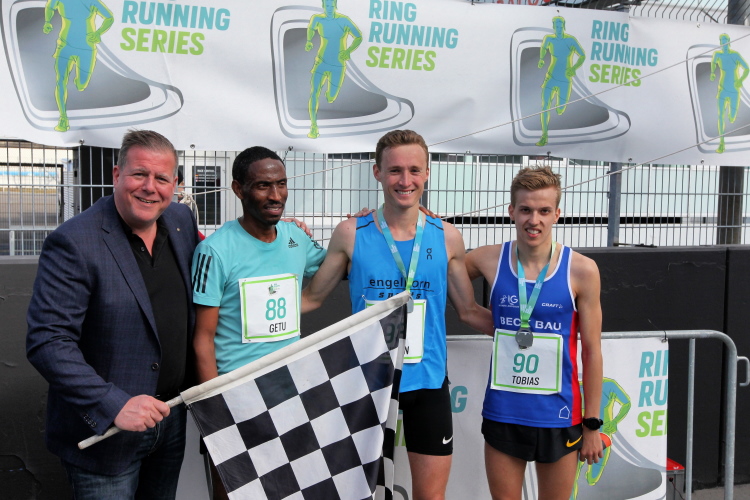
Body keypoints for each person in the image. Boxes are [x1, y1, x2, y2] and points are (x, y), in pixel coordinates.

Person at [302, 129, 494, 500]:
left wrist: (525, 331)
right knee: (358, 493)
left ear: (427, 173)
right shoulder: (350, 233)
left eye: (414, 170)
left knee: (431, 496)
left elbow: (469, 311)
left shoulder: (447, 237)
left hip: (427, 382)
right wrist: (240, 315)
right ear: (377, 172)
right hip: (367, 383)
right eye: (394, 171)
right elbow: (312, 298)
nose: (405, 181)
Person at [26, 130, 200, 498]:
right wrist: (113, 404)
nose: (150, 187)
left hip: (170, 420)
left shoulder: (181, 221)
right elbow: (47, 341)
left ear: (175, 185)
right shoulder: (75, 241)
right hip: (106, 435)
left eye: (162, 178)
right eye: (139, 174)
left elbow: (221, 258)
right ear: (117, 175)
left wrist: (280, 230)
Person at [191, 146, 327, 499]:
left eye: (281, 184)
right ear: (238, 189)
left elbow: (341, 260)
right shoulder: (215, 251)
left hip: (290, 394)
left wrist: (366, 223)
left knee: (290, 490)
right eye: (263, 186)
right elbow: (203, 338)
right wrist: (215, 410)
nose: (276, 195)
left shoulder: (296, 238)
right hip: (237, 400)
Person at [465, 166, 603, 500]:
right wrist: (421, 218)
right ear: (511, 211)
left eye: (543, 211)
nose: (534, 220)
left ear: (557, 214)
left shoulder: (581, 270)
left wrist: (592, 425)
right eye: (525, 210)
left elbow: (592, 351)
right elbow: (441, 274)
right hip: (504, 411)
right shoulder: (488, 259)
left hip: (558, 414)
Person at [43, 0, 114, 132]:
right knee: (61, 80)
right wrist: (47, 21)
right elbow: (50, 6)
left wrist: (98, 33)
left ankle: (79, 82)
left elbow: (109, 17)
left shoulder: (92, 1)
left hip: (86, 47)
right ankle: (63, 118)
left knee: (81, 84)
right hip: (64, 45)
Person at [305, 0, 362, 138]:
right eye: (327, 6)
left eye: (332, 6)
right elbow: (311, 29)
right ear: (323, 6)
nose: (329, 8)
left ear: (335, 6)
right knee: (314, 92)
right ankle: (314, 127)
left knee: (331, 96)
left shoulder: (343, 20)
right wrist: (309, 41)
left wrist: (348, 51)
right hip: (321, 61)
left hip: (338, 64)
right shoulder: (317, 19)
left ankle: (329, 96)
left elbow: (358, 36)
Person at [537, 16, 585, 147]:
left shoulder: (570, 40)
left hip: (565, 79)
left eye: (560, 26)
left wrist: (574, 68)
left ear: (564, 26)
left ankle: (560, 110)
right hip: (551, 77)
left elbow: (582, 55)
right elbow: (543, 48)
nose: (558, 28)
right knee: (545, 106)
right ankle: (544, 136)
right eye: (556, 26)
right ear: (553, 27)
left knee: (560, 109)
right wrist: (541, 59)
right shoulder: (549, 38)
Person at [710, 33, 749, 153]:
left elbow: (747, 68)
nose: (724, 42)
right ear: (720, 42)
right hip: (722, 89)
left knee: (732, 118)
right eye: (722, 40)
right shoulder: (717, 55)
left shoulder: (735, 55)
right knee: (720, 115)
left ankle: (732, 118)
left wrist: (740, 80)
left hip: (734, 90)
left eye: (726, 40)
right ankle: (721, 143)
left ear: (729, 41)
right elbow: (713, 63)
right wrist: (712, 72)